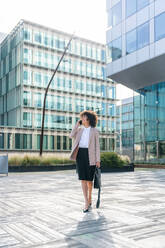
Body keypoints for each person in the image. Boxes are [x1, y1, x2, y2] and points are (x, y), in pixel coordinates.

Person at [69, 110, 100, 213]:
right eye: (81, 117)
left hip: (90, 155)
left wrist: (98, 160)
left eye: (83, 117)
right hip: (80, 155)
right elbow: (71, 135)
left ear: (88, 119)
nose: (82, 119)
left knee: (89, 180)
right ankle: (86, 202)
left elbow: (97, 147)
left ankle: (90, 197)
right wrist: (76, 125)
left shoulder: (95, 131)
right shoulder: (80, 130)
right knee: (83, 179)